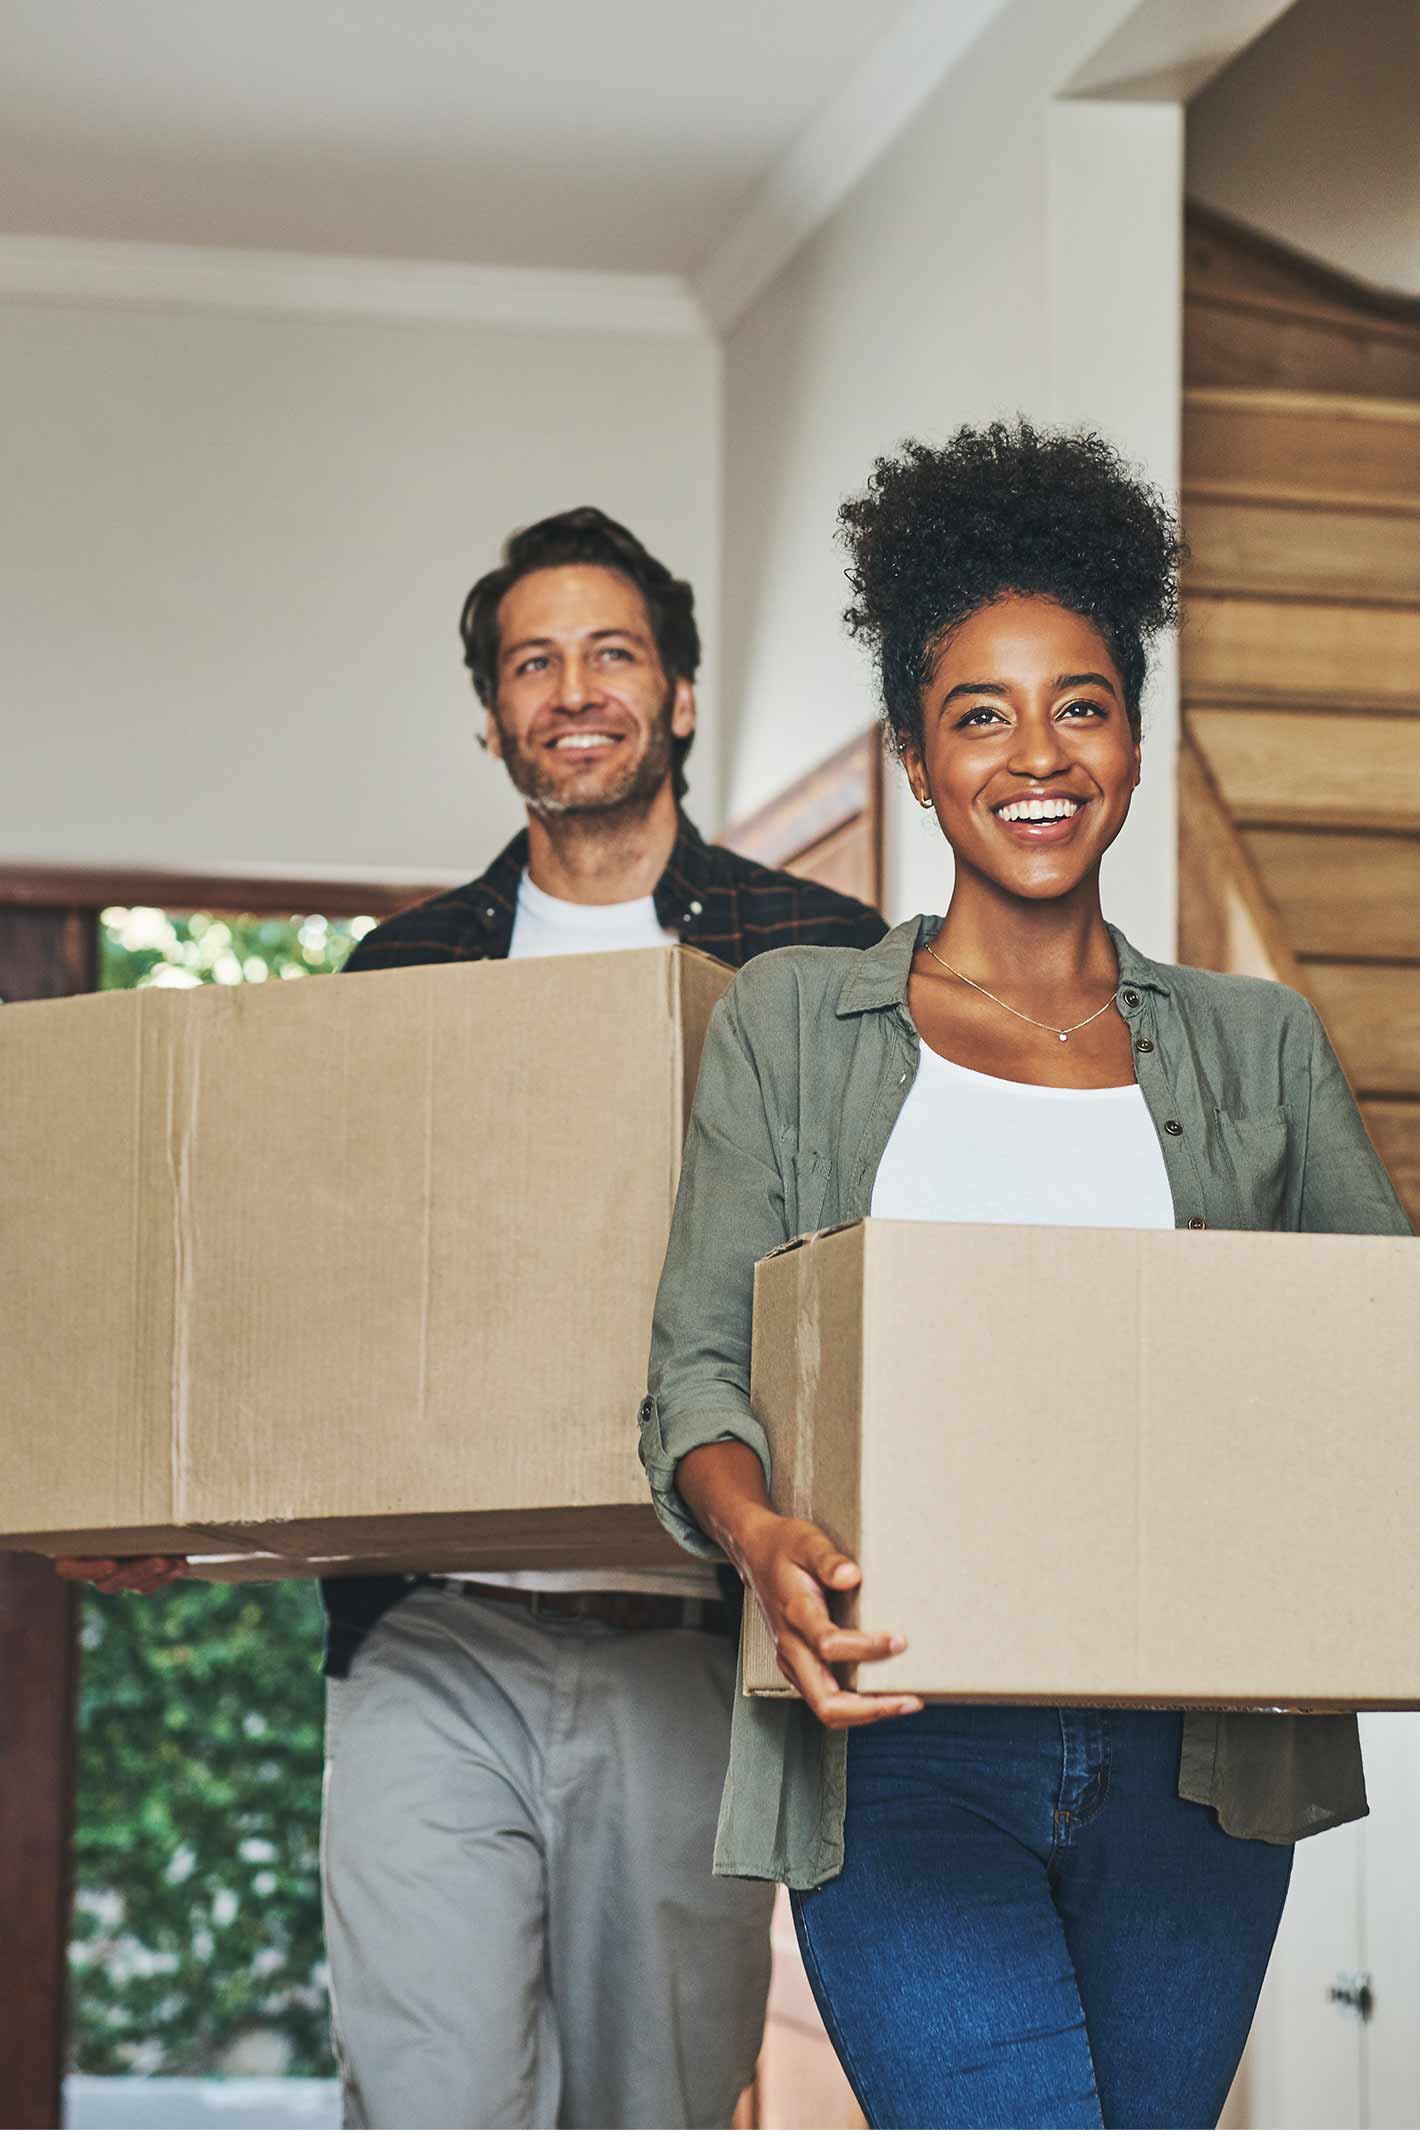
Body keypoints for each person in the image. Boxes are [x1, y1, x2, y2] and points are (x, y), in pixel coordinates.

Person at [640, 422, 1420, 2131]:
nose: (1037, 753)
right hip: (898, 1737)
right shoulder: (794, 1028)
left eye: (1080, 704)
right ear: (919, 768)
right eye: (979, 713)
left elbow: (1406, 1371)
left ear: (1136, 746)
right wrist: (760, 1536)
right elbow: (700, 1372)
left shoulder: (1258, 1045)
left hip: (1203, 1764)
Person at [57, 505, 887, 2130]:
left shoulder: (817, 958)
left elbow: (867, 1293)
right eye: (533, 662)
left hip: (687, 1644)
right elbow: (308, 1308)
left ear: (683, 696)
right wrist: (164, 1505)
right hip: (431, 1642)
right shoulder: (402, 969)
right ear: (494, 713)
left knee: (656, 2108)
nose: (573, 690)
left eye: (612, 653)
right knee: (425, 2099)